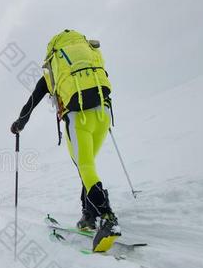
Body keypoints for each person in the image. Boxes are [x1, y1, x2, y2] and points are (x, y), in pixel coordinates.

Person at [10, 29, 120, 252]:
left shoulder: (53, 73)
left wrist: (19, 124)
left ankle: (107, 217)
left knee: (85, 166)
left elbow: (33, 101)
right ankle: (89, 214)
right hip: (104, 114)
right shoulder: (90, 57)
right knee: (86, 167)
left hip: (77, 117)